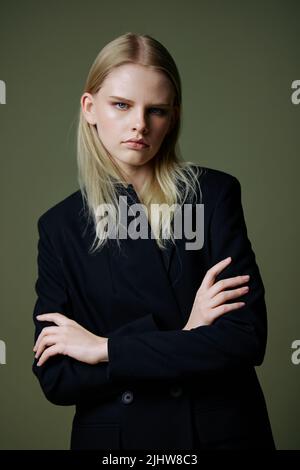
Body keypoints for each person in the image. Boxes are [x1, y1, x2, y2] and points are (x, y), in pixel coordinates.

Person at [32, 32, 275, 450]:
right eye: (122, 105)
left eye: (156, 110)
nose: (140, 124)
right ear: (90, 109)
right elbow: (58, 378)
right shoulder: (60, 227)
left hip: (215, 436)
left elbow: (245, 339)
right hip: (120, 446)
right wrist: (187, 334)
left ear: (173, 117)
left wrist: (104, 348)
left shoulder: (213, 196)